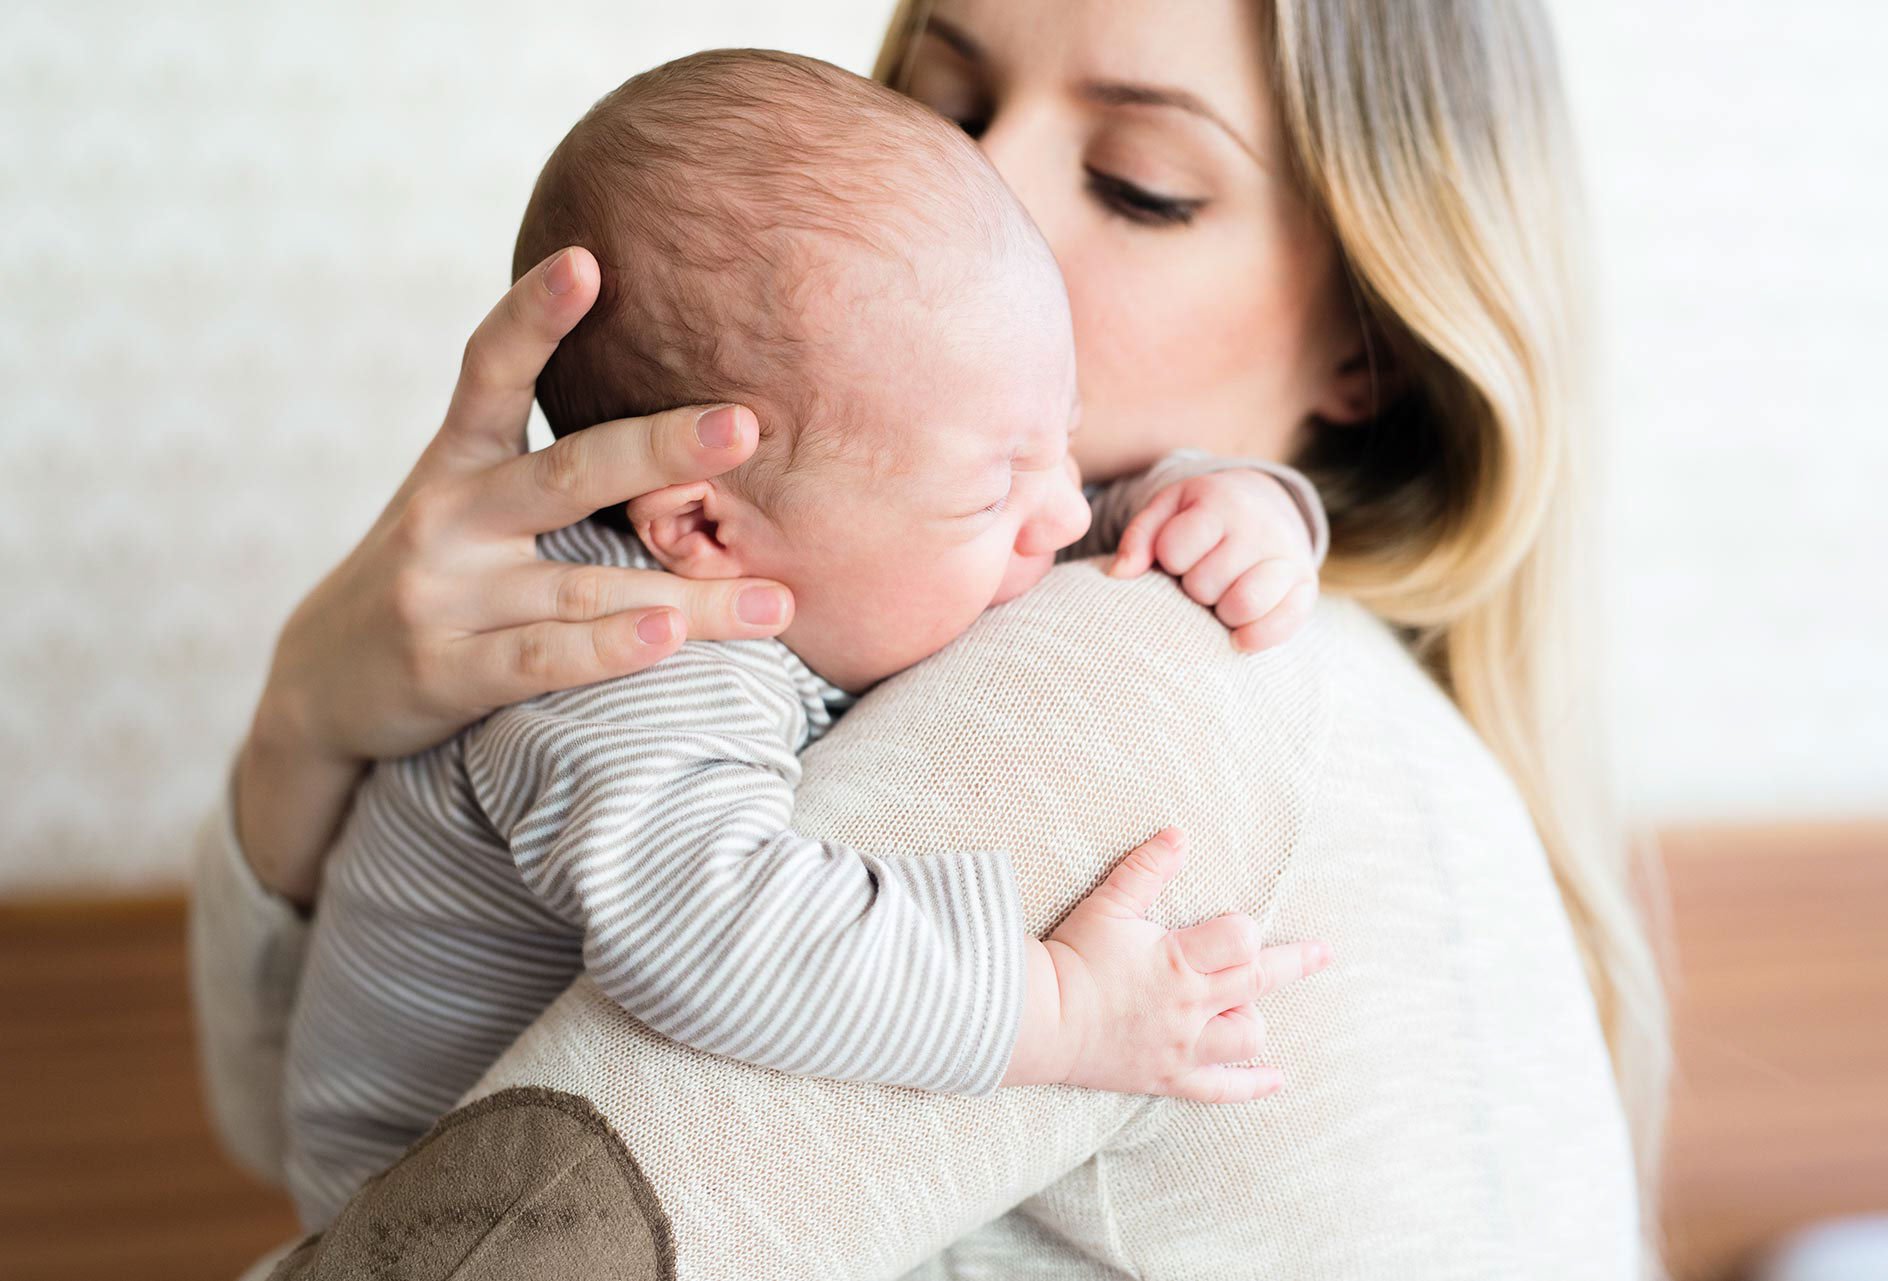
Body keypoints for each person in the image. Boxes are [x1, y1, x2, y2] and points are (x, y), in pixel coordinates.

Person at [189, 1, 1669, 1276]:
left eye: (1138, 182)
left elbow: (470, 1218)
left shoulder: (1131, 672)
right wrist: (315, 714)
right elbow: (329, 1135)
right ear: (705, 519)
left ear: (1369, 342)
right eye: (946, 99)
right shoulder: (711, 643)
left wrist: (1064, 1008)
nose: (978, 185)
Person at [283, 48, 1331, 1230]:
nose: (1065, 510)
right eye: (994, 491)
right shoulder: (626, 663)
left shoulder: (862, 505)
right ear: (702, 526)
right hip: (434, 1198)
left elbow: (1048, 509)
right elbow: (718, 935)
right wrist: (1061, 1006)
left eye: (1067, 439)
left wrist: (1227, 505)